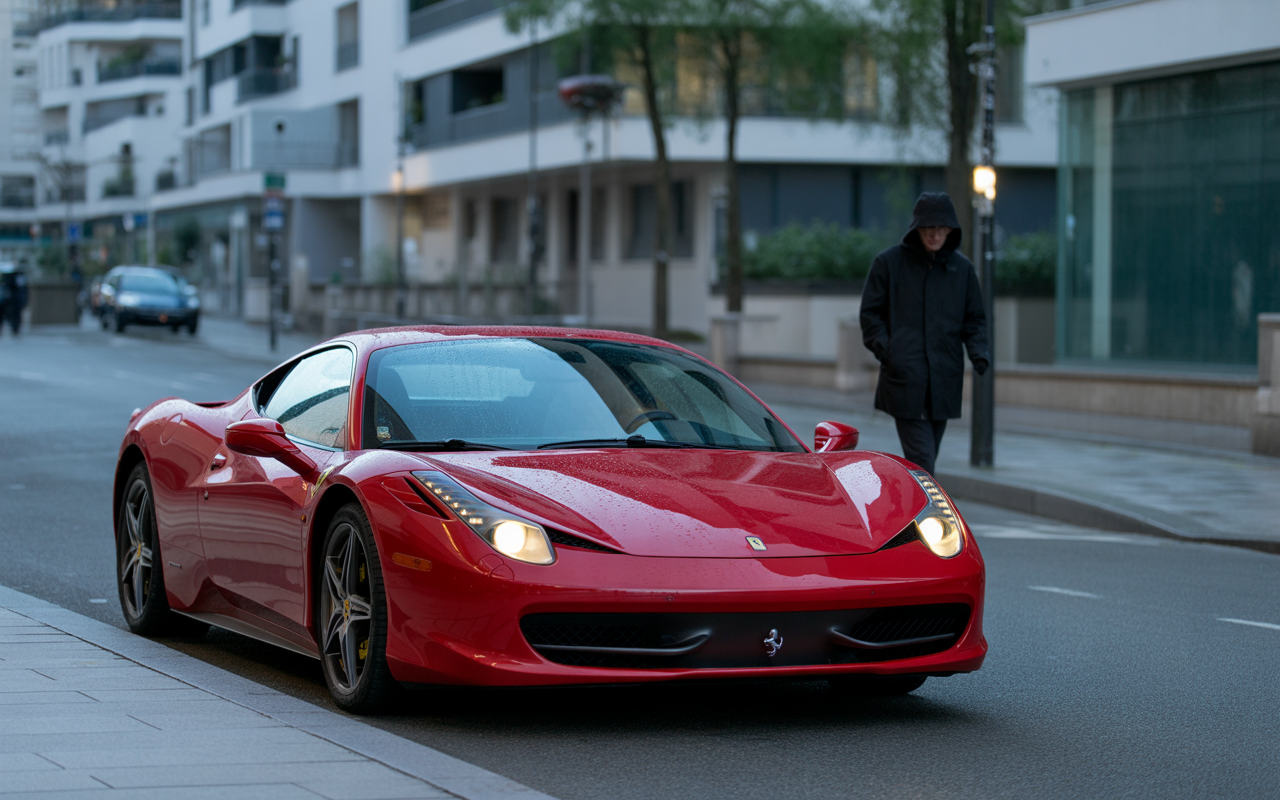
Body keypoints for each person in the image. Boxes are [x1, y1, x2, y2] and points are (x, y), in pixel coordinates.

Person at [859, 192, 990, 476]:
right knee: (923, 461)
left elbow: (975, 319)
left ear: (951, 231)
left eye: (941, 229)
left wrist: (979, 352)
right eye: (929, 228)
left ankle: (909, 513)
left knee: (925, 462)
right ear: (916, 228)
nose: (934, 234)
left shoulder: (962, 270)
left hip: (944, 382)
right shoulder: (888, 264)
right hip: (905, 380)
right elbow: (870, 315)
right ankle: (923, 519)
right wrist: (890, 351)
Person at [1, 263, 29, 336]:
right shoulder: (8, 278)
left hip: (15, 300)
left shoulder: (18, 276)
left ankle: (15, 328)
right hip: (10, 300)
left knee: (16, 314)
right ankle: (14, 328)